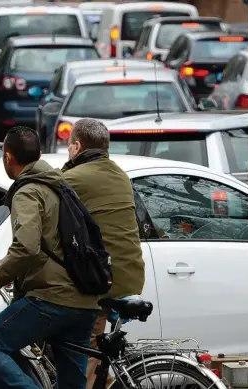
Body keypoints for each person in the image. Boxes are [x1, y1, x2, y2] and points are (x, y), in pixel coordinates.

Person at [0, 126, 98, 389]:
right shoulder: (60, 185)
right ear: (39, 154)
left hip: (52, 299)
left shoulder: (28, 192)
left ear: (7, 157)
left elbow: (26, 248)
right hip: (84, 299)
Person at [62, 118, 145, 389]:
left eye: (68, 147)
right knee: (96, 353)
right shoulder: (120, 174)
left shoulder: (72, 178)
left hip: (102, 282)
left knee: (82, 348)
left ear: (76, 146)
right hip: (129, 277)